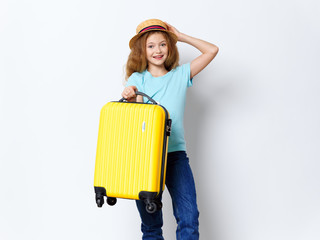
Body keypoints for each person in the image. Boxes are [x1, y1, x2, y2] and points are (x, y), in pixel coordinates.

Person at [121, 19, 219, 240]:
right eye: (151, 45)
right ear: (142, 51)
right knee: (151, 225)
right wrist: (130, 93)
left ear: (170, 47)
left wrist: (181, 36)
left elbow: (212, 50)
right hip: (145, 158)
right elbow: (133, 96)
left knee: (189, 217)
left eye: (163, 44)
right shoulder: (138, 79)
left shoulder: (180, 75)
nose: (158, 50)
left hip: (175, 155)